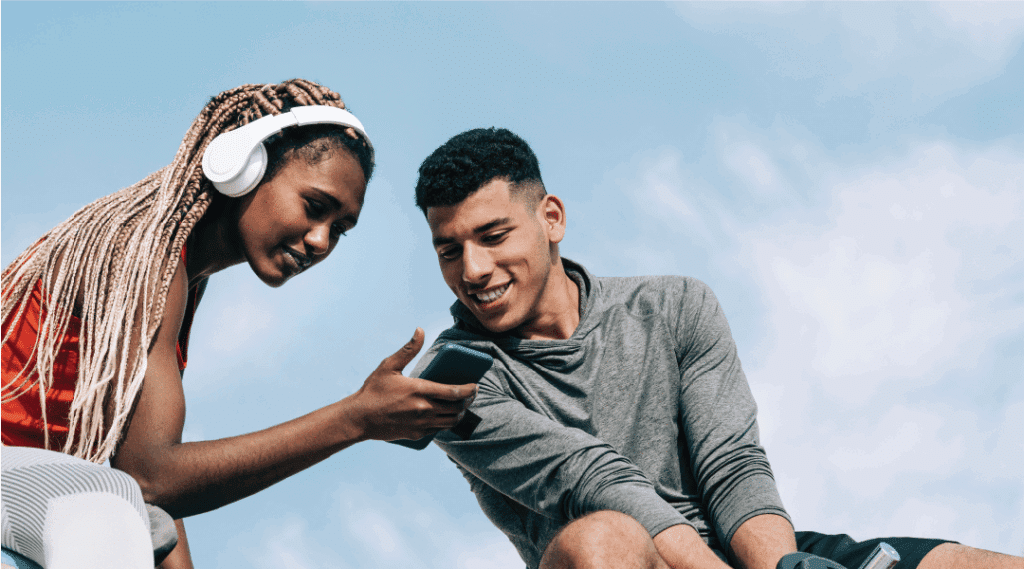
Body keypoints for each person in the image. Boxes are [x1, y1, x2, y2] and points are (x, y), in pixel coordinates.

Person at [409, 127, 1024, 569]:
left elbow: (732, 464)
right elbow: (592, 478)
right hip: (632, 559)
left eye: (493, 237)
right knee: (604, 537)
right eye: (449, 250)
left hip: (753, 552)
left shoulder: (676, 305)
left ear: (551, 218)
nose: (474, 269)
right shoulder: (453, 384)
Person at [0, 79, 478, 569]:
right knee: (105, 510)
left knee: (144, 526)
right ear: (244, 165)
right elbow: (150, 476)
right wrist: (356, 418)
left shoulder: (174, 273)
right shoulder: (142, 263)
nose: (320, 240)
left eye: (339, 229)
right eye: (315, 207)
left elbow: (150, 479)